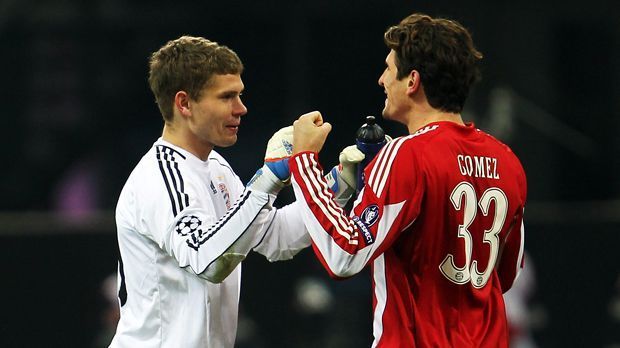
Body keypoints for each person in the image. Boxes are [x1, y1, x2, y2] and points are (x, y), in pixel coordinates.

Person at [290, 13, 527, 347]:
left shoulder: (407, 155)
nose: (381, 79)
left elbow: (342, 254)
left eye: (388, 68)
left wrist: (303, 162)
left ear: (412, 80)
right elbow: (505, 275)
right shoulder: (508, 161)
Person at [110, 36, 311, 348]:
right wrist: (268, 179)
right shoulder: (161, 178)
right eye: (226, 97)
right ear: (184, 103)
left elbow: (276, 236)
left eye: (240, 95)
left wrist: (339, 186)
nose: (241, 108)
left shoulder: (214, 165)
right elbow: (209, 261)